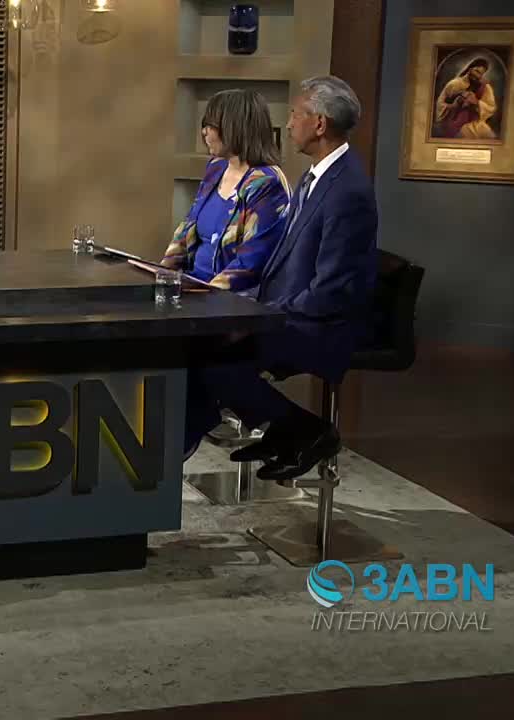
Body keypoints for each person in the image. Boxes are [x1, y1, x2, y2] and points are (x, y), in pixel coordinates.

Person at [185, 75, 378, 481]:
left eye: (295, 113)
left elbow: (330, 290)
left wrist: (265, 315)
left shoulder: (348, 191)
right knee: (203, 349)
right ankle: (269, 432)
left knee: (214, 354)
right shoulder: (318, 178)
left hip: (323, 326)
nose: (288, 124)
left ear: (320, 123)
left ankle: (304, 429)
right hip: (293, 311)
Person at [161, 89, 289, 292]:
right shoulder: (216, 167)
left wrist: (200, 294)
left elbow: (251, 263)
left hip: (227, 299)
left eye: (210, 126)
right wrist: (161, 277)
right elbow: (186, 230)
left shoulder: (266, 183)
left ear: (233, 128)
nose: (204, 133)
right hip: (191, 288)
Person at [434, 57, 498, 139]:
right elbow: (440, 104)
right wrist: (453, 106)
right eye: (477, 71)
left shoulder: (485, 87)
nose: (478, 76)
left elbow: (491, 107)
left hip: (476, 123)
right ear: (470, 68)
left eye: (481, 74)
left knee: (490, 137)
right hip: (455, 122)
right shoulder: (454, 84)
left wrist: (477, 103)